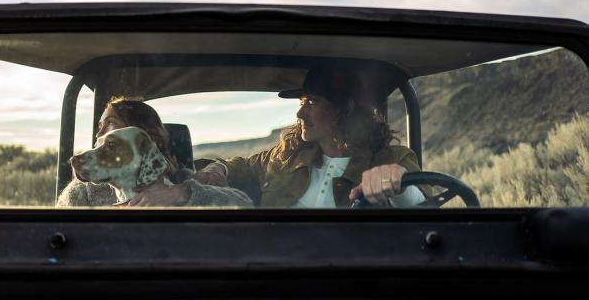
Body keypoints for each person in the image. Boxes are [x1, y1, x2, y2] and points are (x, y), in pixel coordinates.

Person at [195, 66, 428, 208]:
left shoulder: (390, 160)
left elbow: (424, 213)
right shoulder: (286, 156)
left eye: (311, 103)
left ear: (344, 109)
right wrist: (218, 169)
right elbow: (242, 165)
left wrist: (399, 183)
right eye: (301, 103)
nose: (299, 113)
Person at [57, 96, 252, 207]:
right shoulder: (82, 192)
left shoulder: (182, 181)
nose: (99, 132)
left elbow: (243, 204)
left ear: (144, 133)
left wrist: (180, 194)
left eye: (110, 123)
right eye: (100, 126)